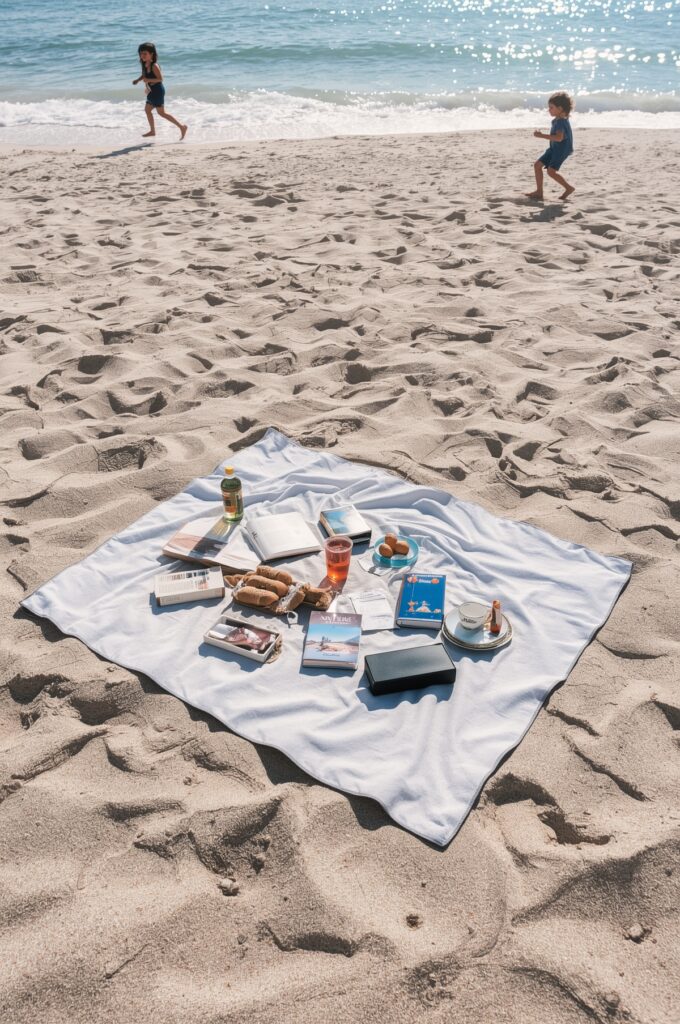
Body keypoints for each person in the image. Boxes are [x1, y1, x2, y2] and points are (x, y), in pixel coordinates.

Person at [132, 42, 187, 140]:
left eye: (145, 53)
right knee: (147, 110)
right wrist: (138, 80)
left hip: (157, 91)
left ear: (151, 54)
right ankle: (152, 131)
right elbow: (144, 75)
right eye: (141, 53)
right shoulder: (145, 64)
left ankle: (182, 127)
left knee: (161, 113)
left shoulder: (154, 66)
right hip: (151, 91)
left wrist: (148, 80)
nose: (142, 56)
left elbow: (160, 79)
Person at [526, 92, 574, 201]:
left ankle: (568, 188)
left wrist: (541, 135)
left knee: (551, 172)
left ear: (560, 108)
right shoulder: (557, 120)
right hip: (554, 148)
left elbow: (559, 138)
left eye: (551, 107)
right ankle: (539, 192)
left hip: (561, 150)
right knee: (537, 165)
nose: (549, 110)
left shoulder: (561, 122)